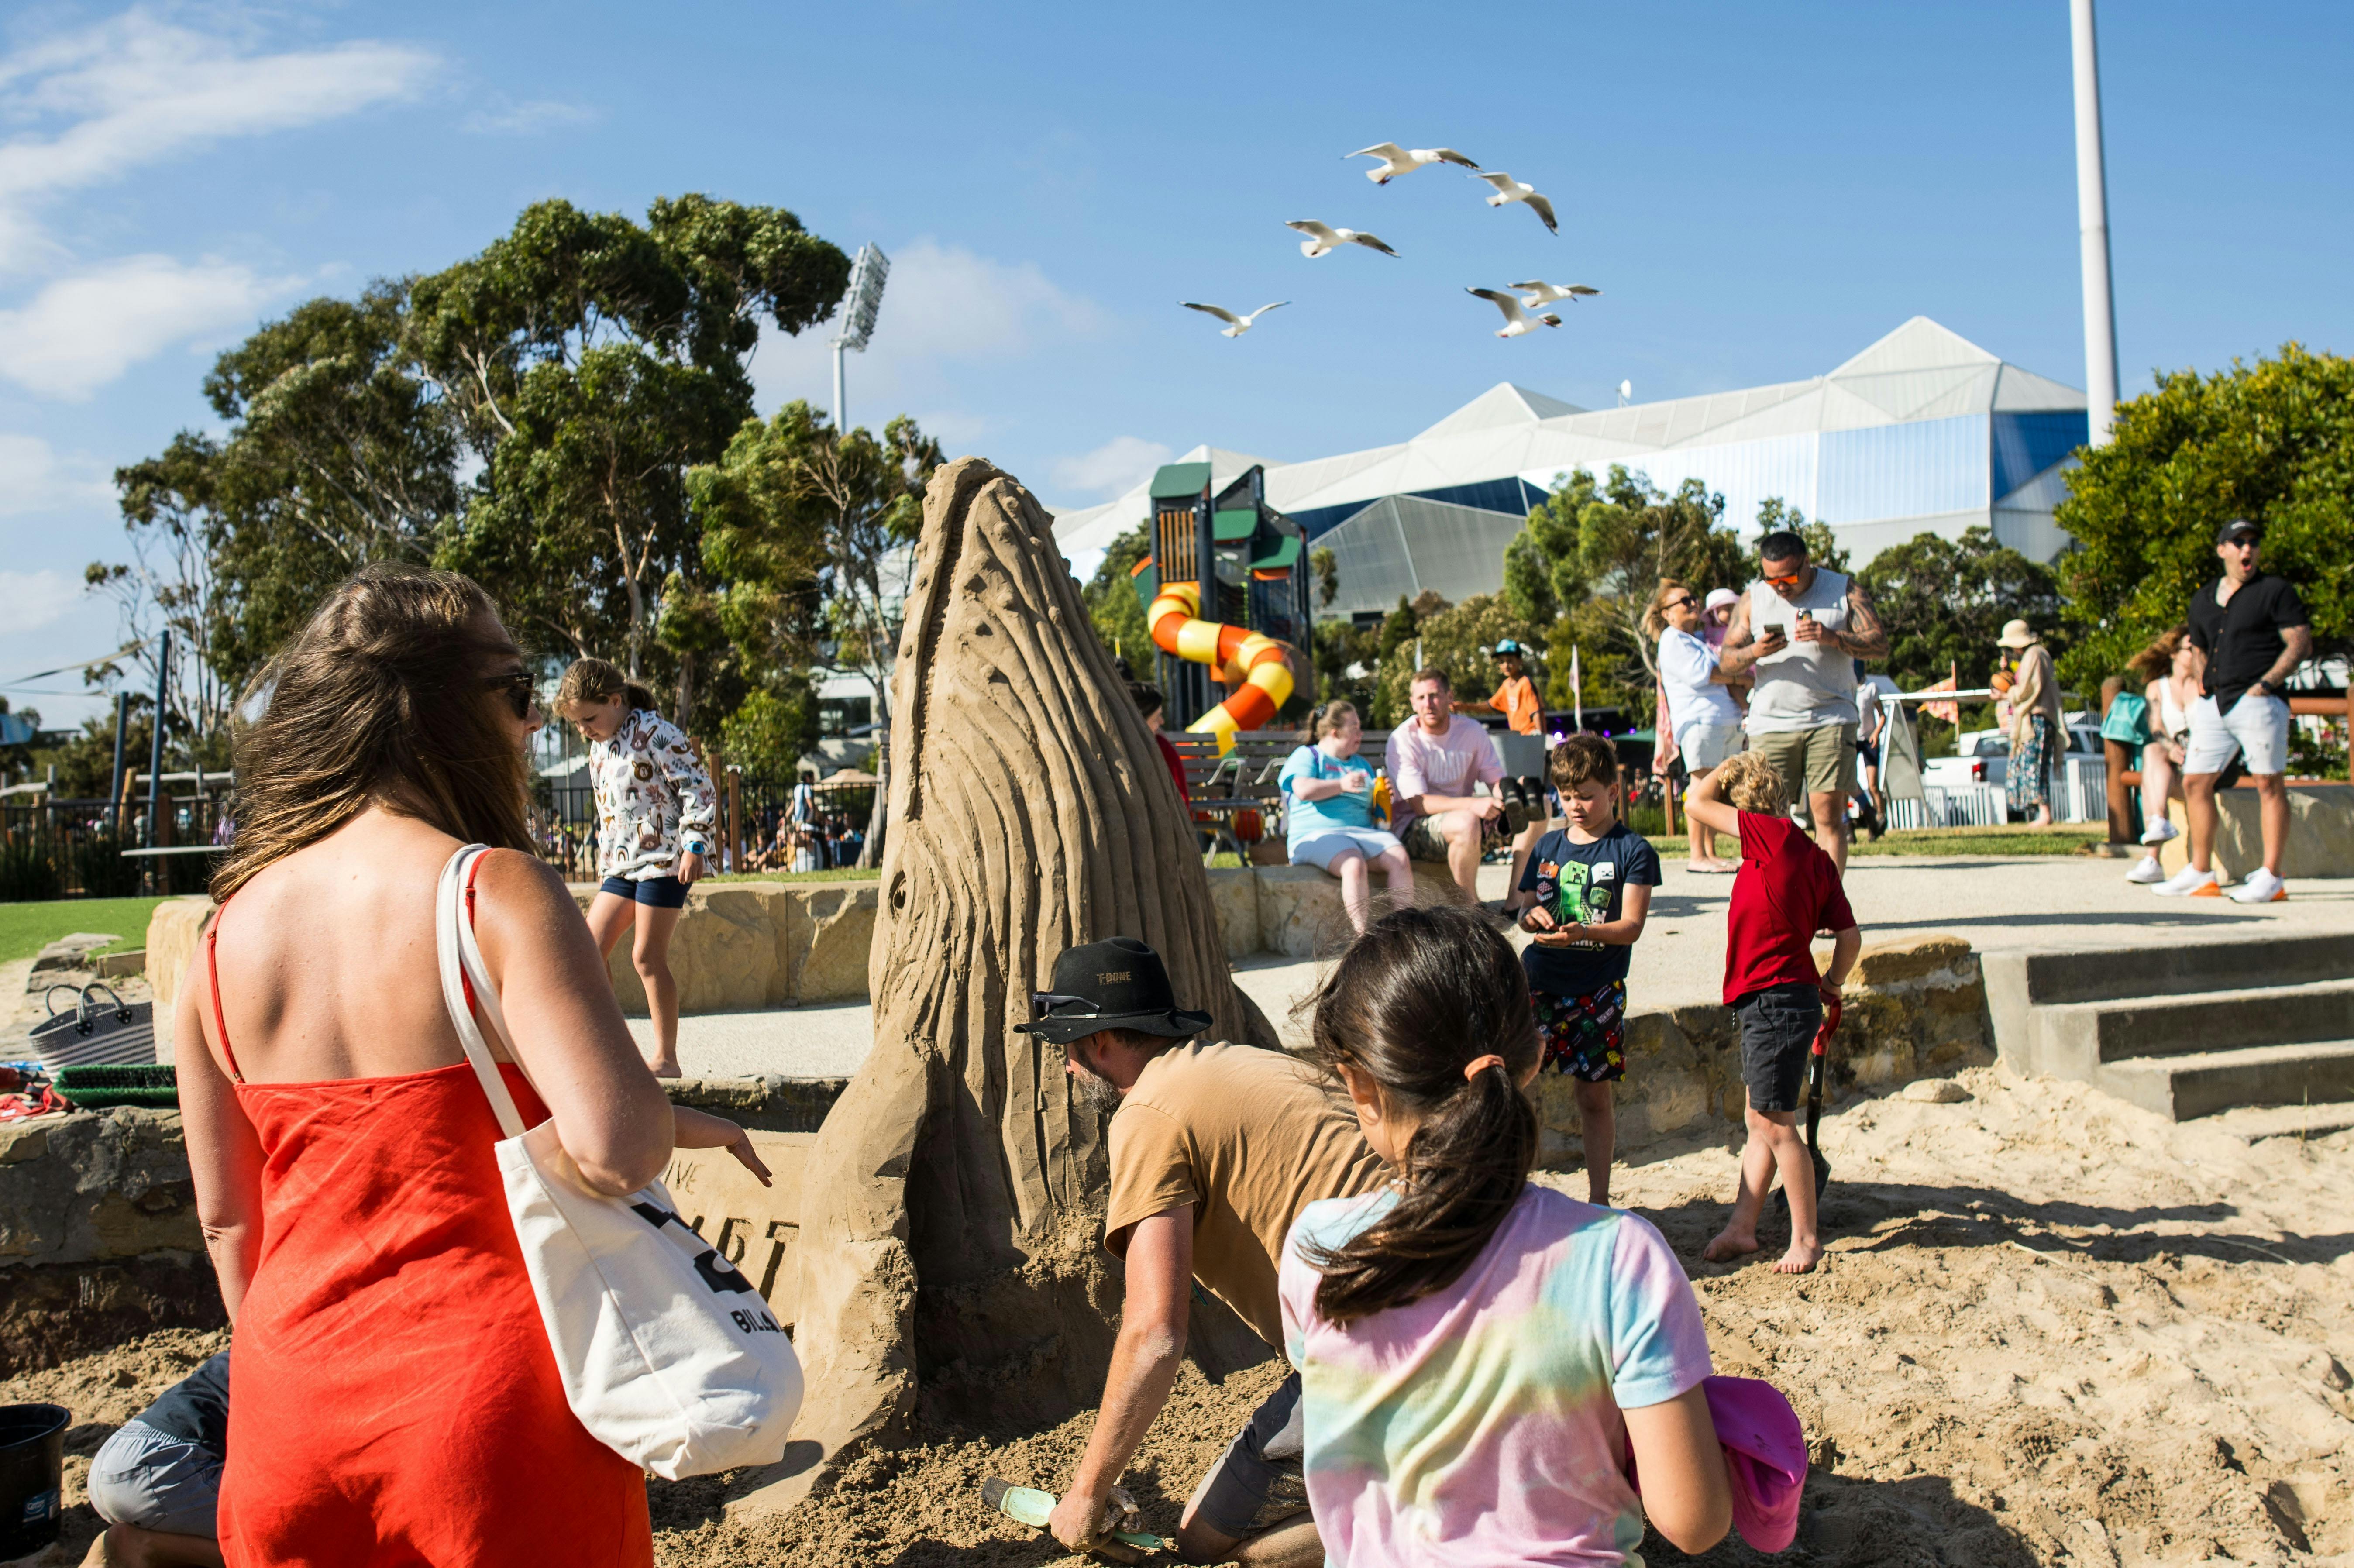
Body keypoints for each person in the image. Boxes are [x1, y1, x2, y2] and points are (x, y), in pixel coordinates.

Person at [174, 564, 770, 1566]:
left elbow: (230, 1217)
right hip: (493, 1415)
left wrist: (303, 1373)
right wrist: (669, 1116)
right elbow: (617, 1150)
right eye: (518, 691)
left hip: (286, 1418)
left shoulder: (221, 938)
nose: (534, 725)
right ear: (441, 707)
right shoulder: (493, 893)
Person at [1278, 905, 1730, 1566]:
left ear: (1360, 1085)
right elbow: (1696, 1522)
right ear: (1536, 1056)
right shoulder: (1620, 1257)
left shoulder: (1318, 1250)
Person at [1026, 937, 1384, 1566]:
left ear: (1100, 1041)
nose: (1066, 1070)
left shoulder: (1147, 1115)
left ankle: (1415, 1528)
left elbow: (1154, 1332)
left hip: (1374, 1344)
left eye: (1066, 1051)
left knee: (1205, 1542)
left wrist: (1087, 1493)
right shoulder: (1243, 1064)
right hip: (1458, 1301)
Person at [1685, 751, 1860, 1275]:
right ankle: (1743, 1226)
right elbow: (1848, 938)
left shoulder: (1771, 835)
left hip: (1775, 1000)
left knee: (1777, 1123)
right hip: (1786, 998)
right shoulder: (1811, 854)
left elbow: (1694, 801)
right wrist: (1830, 985)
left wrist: (1725, 762)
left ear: (1744, 807)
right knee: (1758, 1117)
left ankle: (1805, 1237)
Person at [1515, 733, 1661, 1207]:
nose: (1575, 805)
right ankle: (1518, 1193)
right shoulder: (1546, 845)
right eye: (1566, 795)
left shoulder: (1632, 850)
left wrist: (1585, 933)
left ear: (1613, 791)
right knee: (1518, 1089)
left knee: (1594, 1098)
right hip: (1537, 982)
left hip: (1597, 990)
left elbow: (1632, 926)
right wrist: (1531, 918)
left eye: (1586, 795)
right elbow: (1523, 911)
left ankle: (1600, 1199)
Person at [556, 659, 718, 1078]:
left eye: (589, 718)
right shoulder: (598, 747)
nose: (584, 730)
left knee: (646, 957)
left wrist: (695, 844)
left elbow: (698, 787)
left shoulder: (658, 733)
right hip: (622, 866)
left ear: (616, 700)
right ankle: (614, 1052)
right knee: (587, 954)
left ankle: (666, 1058)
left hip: (665, 861)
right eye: (577, 724)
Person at [2152, 519, 2313, 903]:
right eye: (2239, 542)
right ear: (2222, 549)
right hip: (2216, 702)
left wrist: (2266, 685)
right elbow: (2202, 647)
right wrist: (2204, 681)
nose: (2247, 550)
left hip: (2259, 702)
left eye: (2254, 543)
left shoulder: (2275, 591)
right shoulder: (2203, 599)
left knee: (2268, 784)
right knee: (2195, 781)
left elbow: (2300, 641)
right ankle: (2200, 872)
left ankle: (2272, 877)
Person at [1716, 530, 1889, 875]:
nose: (1781, 587)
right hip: (1772, 722)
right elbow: (1726, 661)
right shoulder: (1753, 598)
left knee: (1827, 815)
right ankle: (1775, 905)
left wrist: (1834, 638)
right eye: (1772, 579)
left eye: (1790, 578)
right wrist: (1756, 651)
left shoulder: (1844, 590)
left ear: (1807, 562)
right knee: (1765, 819)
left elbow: (1880, 645)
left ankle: (1828, 907)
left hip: (1831, 716)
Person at [1383, 667, 1517, 909]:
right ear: (1413, 704)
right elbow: (1419, 804)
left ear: (1449, 697)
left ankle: (1516, 902)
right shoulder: (1403, 739)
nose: (1429, 704)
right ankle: (1469, 910)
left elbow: (1495, 780)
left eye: (1435, 695)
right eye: (1422, 698)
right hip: (1413, 828)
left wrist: (1509, 795)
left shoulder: (1471, 731)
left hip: (1467, 822)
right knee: (1466, 821)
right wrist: (1473, 804)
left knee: (1539, 809)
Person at [82, 1352, 228, 1567]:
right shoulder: (285, 1364)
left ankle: (151, 1548)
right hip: (168, 1468)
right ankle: (143, 1545)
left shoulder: (253, 1345)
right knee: (272, 1546)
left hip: (119, 1452)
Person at [1280, 701, 1413, 935]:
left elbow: (1373, 811)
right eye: (1354, 728)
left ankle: (1405, 931)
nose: (1360, 734)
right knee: (1353, 863)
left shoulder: (1361, 764)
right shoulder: (1308, 755)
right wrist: (1341, 784)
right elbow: (1303, 789)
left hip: (1361, 835)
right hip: (1315, 835)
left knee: (1399, 856)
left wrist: (1382, 799)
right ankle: (1362, 937)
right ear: (1335, 732)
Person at [1648, 578, 1744, 873]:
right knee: (1702, 786)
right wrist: (1740, 678)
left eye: (1694, 599)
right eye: (1684, 601)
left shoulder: (1697, 639)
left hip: (1721, 720)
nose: (1693, 604)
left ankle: (1710, 853)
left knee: (1715, 791)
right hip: (1700, 721)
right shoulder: (1672, 639)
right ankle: (1697, 855)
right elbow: (1703, 674)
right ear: (1666, 613)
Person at [1460, 640, 1549, 911]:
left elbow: (1537, 712)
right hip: (1514, 743)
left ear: (1520, 661)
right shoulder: (1506, 686)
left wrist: (1541, 741)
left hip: (1528, 741)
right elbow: (1490, 705)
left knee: (1530, 792)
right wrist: (1462, 705)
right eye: (1502, 660)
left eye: (1511, 659)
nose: (1506, 665)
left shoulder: (1525, 684)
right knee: (1512, 788)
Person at [2122, 627, 2196, 884]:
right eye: (2191, 648)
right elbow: (2157, 729)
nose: (2197, 652)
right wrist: (2172, 748)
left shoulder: (2205, 684)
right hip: (2175, 766)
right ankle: (2159, 825)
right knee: (2154, 751)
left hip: (2203, 765)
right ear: (2174, 653)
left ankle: (2153, 855)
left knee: (2151, 770)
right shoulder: (2158, 688)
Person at [1994, 620, 2062, 828]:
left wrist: (2007, 693)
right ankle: (2040, 813)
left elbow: (2028, 690)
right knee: (2030, 766)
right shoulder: (2033, 656)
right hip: (2033, 720)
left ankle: (2045, 814)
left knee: (2036, 766)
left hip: (2038, 720)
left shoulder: (2035, 654)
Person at [1132, 681, 1191, 806]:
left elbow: (1182, 798)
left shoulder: (1163, 748)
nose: (1162, 721)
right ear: (1140, 722)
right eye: (1157, 717)